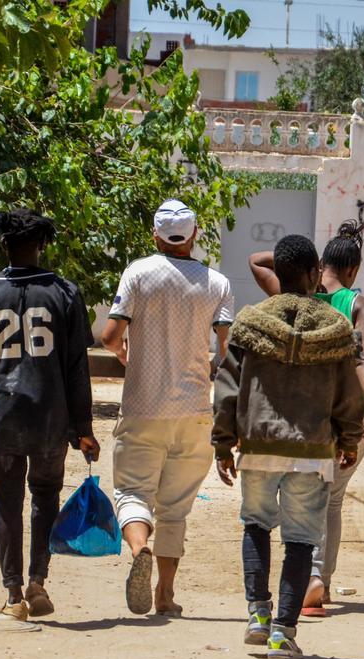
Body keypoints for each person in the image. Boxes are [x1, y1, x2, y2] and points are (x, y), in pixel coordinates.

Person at [213, 234, 364, 659]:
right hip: (312, 450)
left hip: (258, 444)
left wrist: (223, 444)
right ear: (315, 272)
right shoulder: (336, 329)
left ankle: (258, 614)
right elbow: (348, 396)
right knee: (300, 541)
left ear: (277, 272)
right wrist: (348, 439)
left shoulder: (250, 322)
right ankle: (283, 633)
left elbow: (226, 389)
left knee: (256, 525)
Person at [0, 209, 99, 621]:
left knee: (7, 503)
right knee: (45, 497)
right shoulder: (65, 293)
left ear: (3, 245)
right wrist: (83, 428)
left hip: (0, 417)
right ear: (42, 246)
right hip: (50, 416)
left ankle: (13, 595)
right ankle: (38, 581)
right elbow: (76, 366)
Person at [100, 199, 234, 616]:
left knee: (132, 492)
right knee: (175, 508)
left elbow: (108, 335)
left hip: (143, 406)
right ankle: (165, 596)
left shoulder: (138, 273)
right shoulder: (217, 283)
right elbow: (227, 350)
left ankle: (139, 547)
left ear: (155, 235)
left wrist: (123, 352)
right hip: (195, 410)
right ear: (193, 235)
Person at [247, 221, 364, 617]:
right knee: (331, 500)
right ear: (354, 270)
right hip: (345, 416)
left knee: (278, 506)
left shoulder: (291, 297)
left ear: (317, 264)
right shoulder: (358, 305)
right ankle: (316, 579)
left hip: (295, 415)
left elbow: (257, 260)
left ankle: (302, 583)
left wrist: (300, 260)